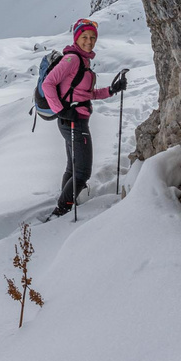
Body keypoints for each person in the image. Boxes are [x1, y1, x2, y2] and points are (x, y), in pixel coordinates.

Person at [42, 18, 126, 217]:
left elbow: (87, 94)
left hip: (71, 120)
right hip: (73, 121)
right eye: (85, 37)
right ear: (76, 38)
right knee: (82, 172)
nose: (89, 41)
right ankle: (61, 210)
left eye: (93, 38)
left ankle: (66, 204)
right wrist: (61, 110)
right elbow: (48, 84)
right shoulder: (72, 60)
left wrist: (111, 90)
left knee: (72, 168)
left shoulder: (82, 60)